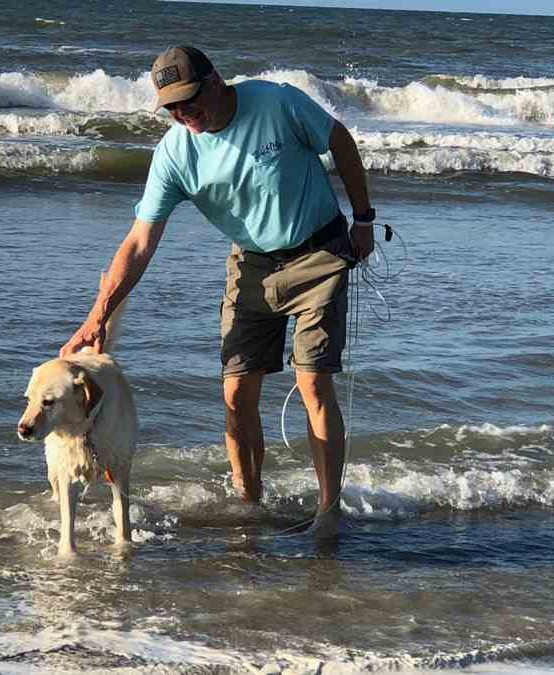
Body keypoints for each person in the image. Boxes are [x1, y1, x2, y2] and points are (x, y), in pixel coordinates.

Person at [60, 46, 376, 538]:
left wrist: (363, 218)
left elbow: (341, 141)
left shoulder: (277, 104)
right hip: (251, 264)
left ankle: (327, 512)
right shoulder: (176, 152)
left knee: (313, 382)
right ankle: (250, 507)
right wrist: (97, 315)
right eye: (172, 108)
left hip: (321, 252)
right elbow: (140, 242)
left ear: (215, 81)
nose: (184, 115)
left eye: (189, 101)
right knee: (236, 393)